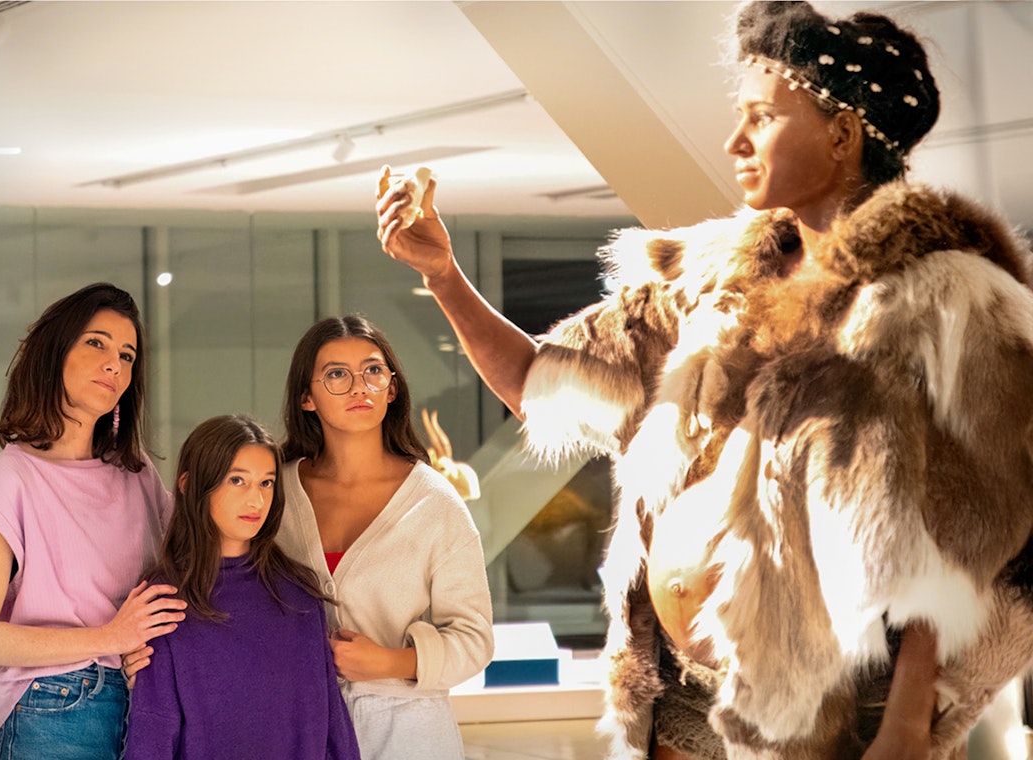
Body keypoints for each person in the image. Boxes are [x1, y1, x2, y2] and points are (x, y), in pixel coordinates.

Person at [375, 2, 1033, 758]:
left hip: (834, 718)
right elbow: (537, 382)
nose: (735, 141)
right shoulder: (706, 280)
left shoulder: (951, 305)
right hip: (677, 699)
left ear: (843, 135)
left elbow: (983, 533)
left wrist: (910, 722)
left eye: (762, 117)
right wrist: (444, 273)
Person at [0, 282, 187, 760]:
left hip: (141, 698)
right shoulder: (10, 478)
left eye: (127, 355)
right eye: (96, 342)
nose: (114, 365)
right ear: (54, 352)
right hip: (49, 706)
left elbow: (194, 559)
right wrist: (109, 638)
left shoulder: (136, 472)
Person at [276, 314, 495, 760]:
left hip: (411, 734)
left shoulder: (434, 503)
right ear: (306, 398)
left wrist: (392, 663)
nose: (360, 387)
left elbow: (476, 638)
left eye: (373, 371)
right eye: (337, 374)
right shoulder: (273, 495)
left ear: (391, 389)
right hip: (296, 727)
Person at [123, 415, 361, 759]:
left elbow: (332, 725)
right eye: (238, 480)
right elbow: (153, 732)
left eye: (266, 483)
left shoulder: (300, 593)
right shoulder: (164, 599)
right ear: (190, 485)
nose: (256, 500)